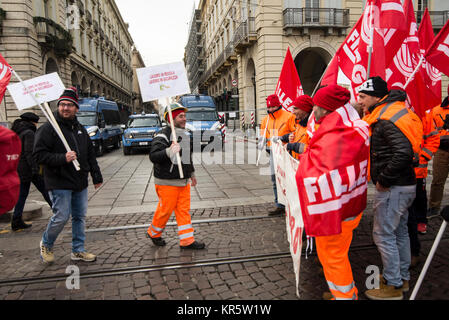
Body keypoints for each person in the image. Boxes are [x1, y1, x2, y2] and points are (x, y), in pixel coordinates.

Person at [296, 85, 368, 300]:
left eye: (316, 106)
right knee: (340, 254)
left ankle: (345, 296)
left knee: (333, 257)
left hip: (335, 209)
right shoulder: (356, 126)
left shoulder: (333, 134)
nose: (313, 110)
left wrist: (302, 159)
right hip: (352, 203)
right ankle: (345, 292)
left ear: (326, 110)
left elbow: (315, 170)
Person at [359, 77, 422, 300]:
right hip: (405, 185)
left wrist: (384, 179)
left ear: (377, 97)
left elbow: (403, 153)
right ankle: (402, 278)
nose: (360, 101)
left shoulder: (385, 119)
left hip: (393, 187)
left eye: (363, 96)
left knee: (383, 234)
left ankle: (393, 284)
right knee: (400, 232)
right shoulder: (395, 111)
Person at [34, 87, 103, 264]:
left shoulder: (80, 129)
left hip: (79, 181)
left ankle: (78, 250)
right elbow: (38, 155)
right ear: (58, 107)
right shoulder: (49, 128)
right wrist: (62, 158)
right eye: (62, 104)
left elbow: (89, 154)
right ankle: (46, 243)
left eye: (69, 105)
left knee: (79, 217)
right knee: (61, 216)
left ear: (76, 108)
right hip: (58, 181)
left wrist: (96, 176)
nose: (65, 108)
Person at [147, 103, 205, 250]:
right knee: (165, 211)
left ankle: (187, 241)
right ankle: (153, 233)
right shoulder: (162, 135)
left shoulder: (184, 134)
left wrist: (192, 173)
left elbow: (187, 157)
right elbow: (153, 156)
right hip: (167, 182)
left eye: (184, 115)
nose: (184, 118)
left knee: (183, 211)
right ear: (172, 119)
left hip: (183, 181)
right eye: (181, 116)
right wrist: (169, 151)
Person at [407, 109, 439, 268]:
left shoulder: (425, 117)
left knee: (420, 197)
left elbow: (433, 139)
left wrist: (422, 157)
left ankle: (421, 221)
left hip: (419, 171)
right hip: (404, 173)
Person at [11, 112, 52, 231]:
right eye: (36, 122)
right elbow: (29, 153)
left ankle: (16, 219)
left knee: (22, 194)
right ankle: (58, 212)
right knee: (45, 189)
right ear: (32, 122)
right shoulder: (29, 133)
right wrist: (34, 168)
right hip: (29, 169)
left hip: (20, 167)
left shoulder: (17, 130)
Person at [259, 94, 296, 216]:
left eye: (273, 107)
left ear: (278, 105)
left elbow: (294, 132)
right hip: (272, 153)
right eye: (269, 107)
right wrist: (262, 143)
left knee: (288, 178)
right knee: (275, 179)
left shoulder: (289, 117)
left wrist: (283, 139)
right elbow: (263, 135)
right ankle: (279, 204)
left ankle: (290, 203)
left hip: (286, 152)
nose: (270, 109)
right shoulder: (265, 120)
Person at [429, 89, 449, 217]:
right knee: (437, 181)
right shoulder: (436, 110)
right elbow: (431, 130)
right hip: (442, 151)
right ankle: (434, 207)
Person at [279, 95, 313, 160]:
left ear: (304, 109)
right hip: (297, 163)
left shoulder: (312, 127)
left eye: (296, 108)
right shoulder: (300, 124)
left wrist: (292, 146)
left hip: (306, 165)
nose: (293, 111)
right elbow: (299, 137)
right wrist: (291, 137)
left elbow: (313, 149)